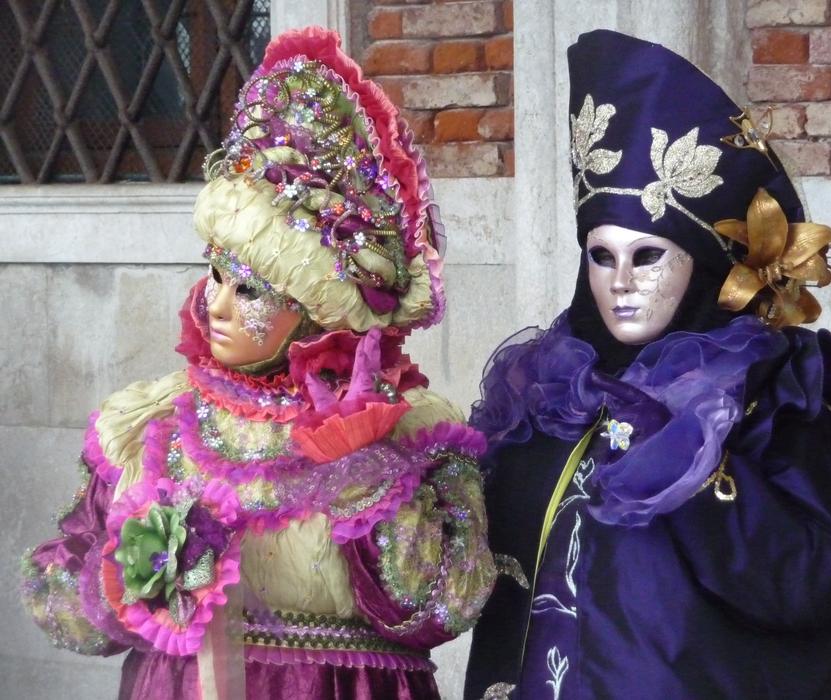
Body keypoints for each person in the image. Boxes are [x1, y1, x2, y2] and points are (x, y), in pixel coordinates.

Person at [22, 26, 495, 700]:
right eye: (213, 274)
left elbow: (448, 603)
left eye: (249, 289)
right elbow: (61, 600)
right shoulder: (150, 424)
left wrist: (367, 477)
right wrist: (129, 575)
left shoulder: (411, 430)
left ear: (312, 310)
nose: (214, 303)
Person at [464, 30, 831, 700]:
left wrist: (692, 464)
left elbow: (807, 581)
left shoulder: (770, 397)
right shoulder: (546, 398)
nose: (620, 281)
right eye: (601, 255)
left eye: (646, 255)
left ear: (700, 265)